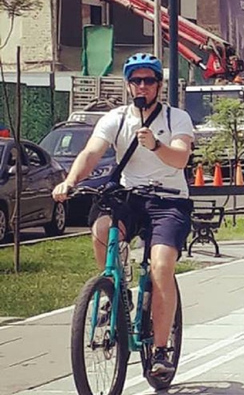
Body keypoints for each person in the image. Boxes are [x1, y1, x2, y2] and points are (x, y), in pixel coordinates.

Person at [52, 53, 194, 379]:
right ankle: (113, 287)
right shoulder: (115, 118)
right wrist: (70, 181)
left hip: (168, 201)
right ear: (129, 85)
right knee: (102, 229)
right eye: (136, 81)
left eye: (149, 80)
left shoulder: (176, 119)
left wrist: (156, 145)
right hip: (128, 197)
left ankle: (160, 351)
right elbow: (91, 152)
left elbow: (181, 158)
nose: (142, 86)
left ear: (159, 85)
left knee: (161, 267)